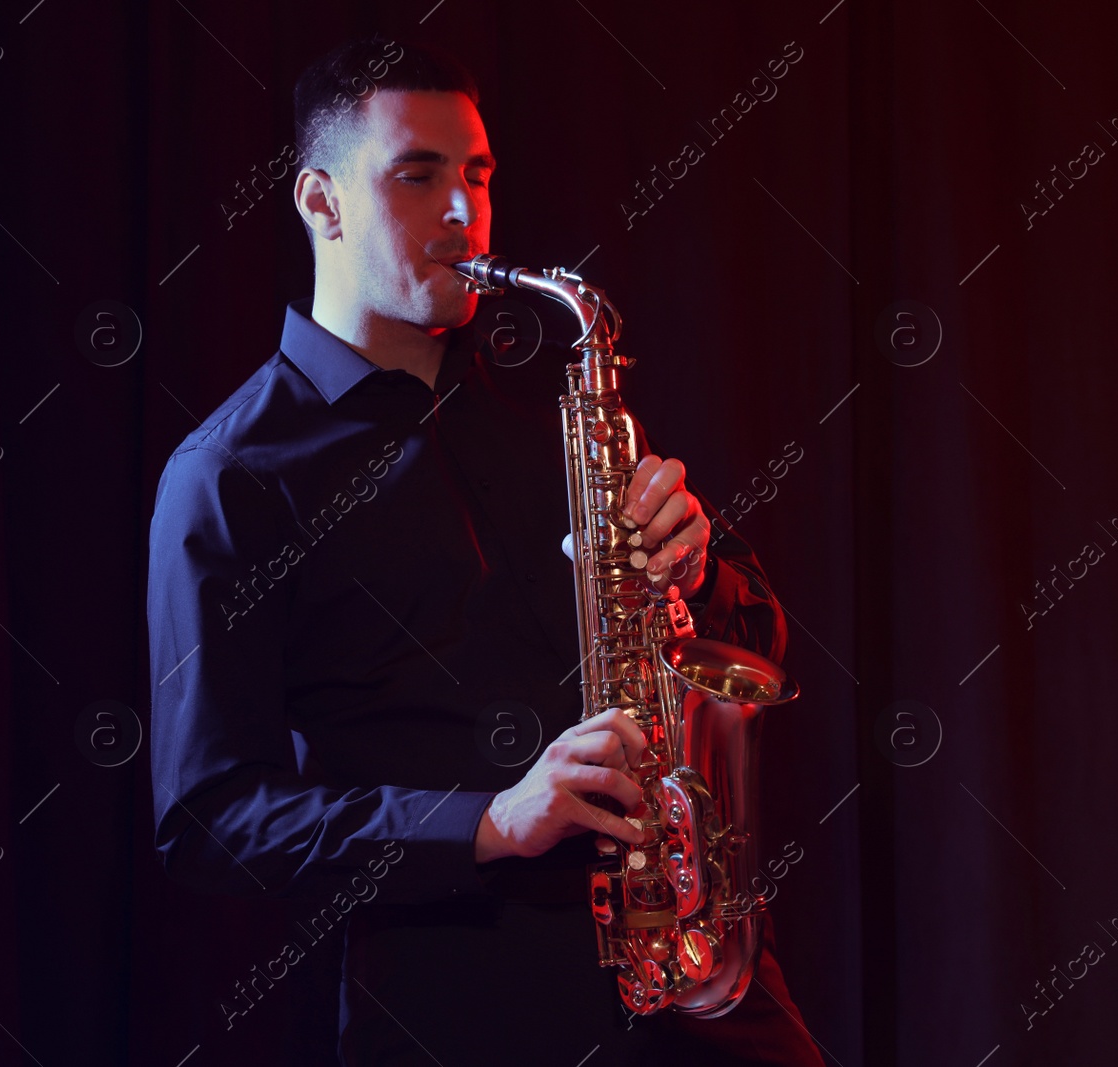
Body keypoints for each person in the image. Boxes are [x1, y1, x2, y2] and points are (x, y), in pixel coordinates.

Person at [146, 35, 824, 1066]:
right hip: (459, 1005)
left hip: (697, 977)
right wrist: (489, 822)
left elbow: (755, 640)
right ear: (320, 202)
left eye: (476, 174)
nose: (463, 213)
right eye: (416, 176)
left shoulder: (558, 406)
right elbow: (210, 815)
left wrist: (697, 570)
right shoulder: (232, 473)